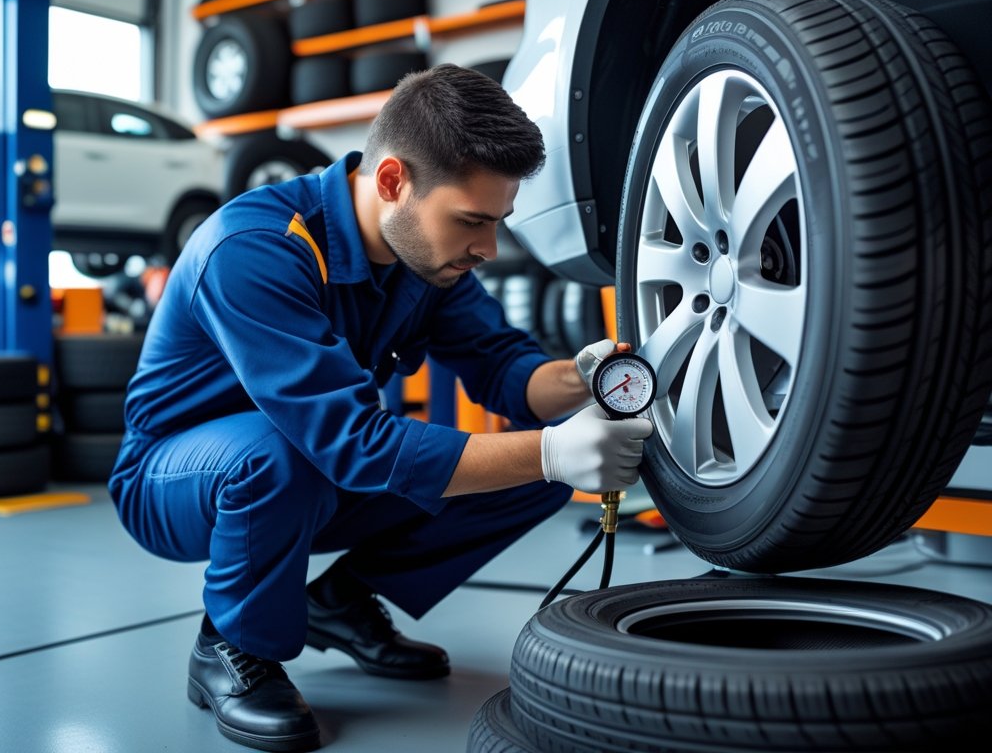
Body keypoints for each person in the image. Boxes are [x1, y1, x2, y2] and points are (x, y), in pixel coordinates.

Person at [107, 64, 654, 752]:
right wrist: (553, 454)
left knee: (530, 467)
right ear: (394, 182)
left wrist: (581, 375)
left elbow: (504, 370)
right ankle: (230, 647)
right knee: (282, 456)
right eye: (472, 222)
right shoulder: (255, 251)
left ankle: (337, 600)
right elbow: (350, 443)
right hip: (174, 477)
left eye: (498, 223)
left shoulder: (426, 259)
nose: (487, 249)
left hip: (313, 465)